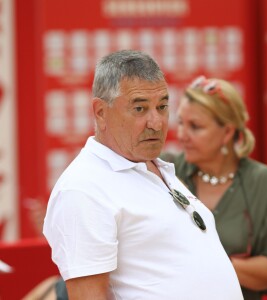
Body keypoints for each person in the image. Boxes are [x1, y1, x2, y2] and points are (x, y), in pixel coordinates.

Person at [43, 50, 243, 299]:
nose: (156, 122)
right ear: (100, 112)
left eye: (162, 106)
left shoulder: (155, 166)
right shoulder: (83, 188)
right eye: (140, 108)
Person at [163, 75, 267, 300]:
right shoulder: (166, 170)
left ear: (227, 132)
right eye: (181, 122)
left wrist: (208, 263)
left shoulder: (262, 181)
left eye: (195, 127)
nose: (182, 135)